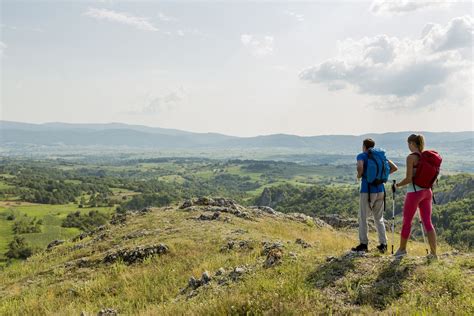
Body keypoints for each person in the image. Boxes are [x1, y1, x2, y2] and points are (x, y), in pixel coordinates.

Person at [393, 134, 437, 259]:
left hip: (414, 193)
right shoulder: (426, 157)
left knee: (407, 222)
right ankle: (434, 254)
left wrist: (397, 185)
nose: (408, 146)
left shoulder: (411, 157)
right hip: (427, 192)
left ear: (412, 143)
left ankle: (402, 250)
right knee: (428, 223)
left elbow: (408, 179)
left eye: (408, 144)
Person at [352, 138, 398, 253]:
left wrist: (359, 175)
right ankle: (383, 244)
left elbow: (360, 166)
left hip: (367, 190)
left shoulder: (361, 155)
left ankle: (363, 244)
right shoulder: (381, 156)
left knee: (363, 218)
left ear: (364, 146)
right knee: (379, 218)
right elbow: (394, 167)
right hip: (381, 190)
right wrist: (381, 176)